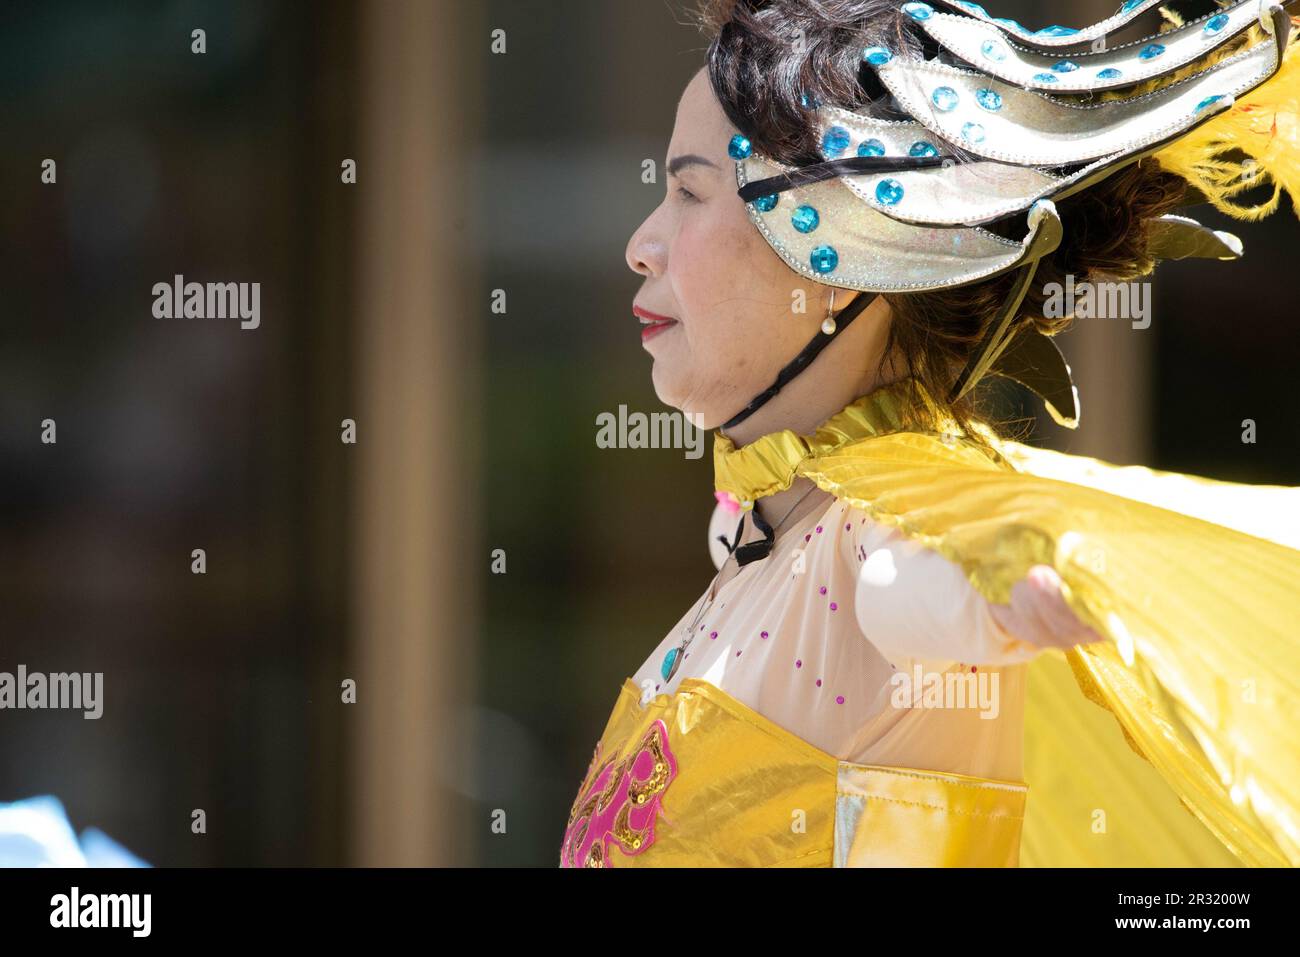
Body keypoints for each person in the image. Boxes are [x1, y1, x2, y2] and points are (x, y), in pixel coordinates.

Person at [560, 0, 1300, 867]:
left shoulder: (884, 554)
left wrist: (1038, 581)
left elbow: (939, 587)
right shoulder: (759, 529)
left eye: (688, 191)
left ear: (839, 250)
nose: (641, 246)